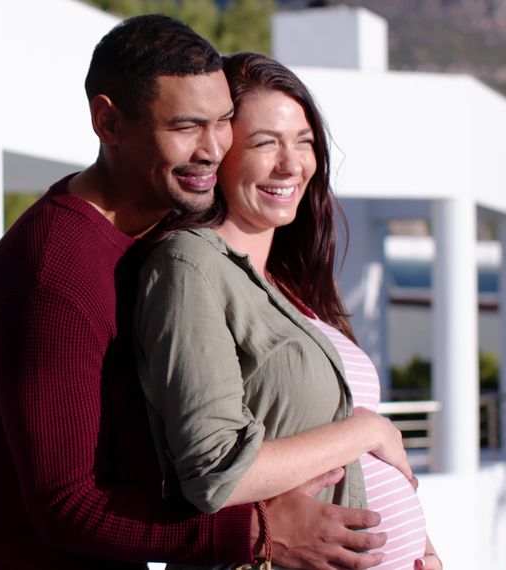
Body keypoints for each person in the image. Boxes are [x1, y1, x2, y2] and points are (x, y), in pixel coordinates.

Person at [0, 16, 389, 570]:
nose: (213, 149)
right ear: (108, 121)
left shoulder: (161, 233)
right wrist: (258, 533)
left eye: (223, 122)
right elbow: (66, 505)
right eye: (185, 127)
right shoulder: (53, 274)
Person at [133, 52, 442, 570]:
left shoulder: (289, 286)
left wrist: (426, 551)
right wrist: (365, 429)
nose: (291, 163)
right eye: (265, 143)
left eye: (303, 141)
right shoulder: (190, 264)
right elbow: (216, 471)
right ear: (220, 153)